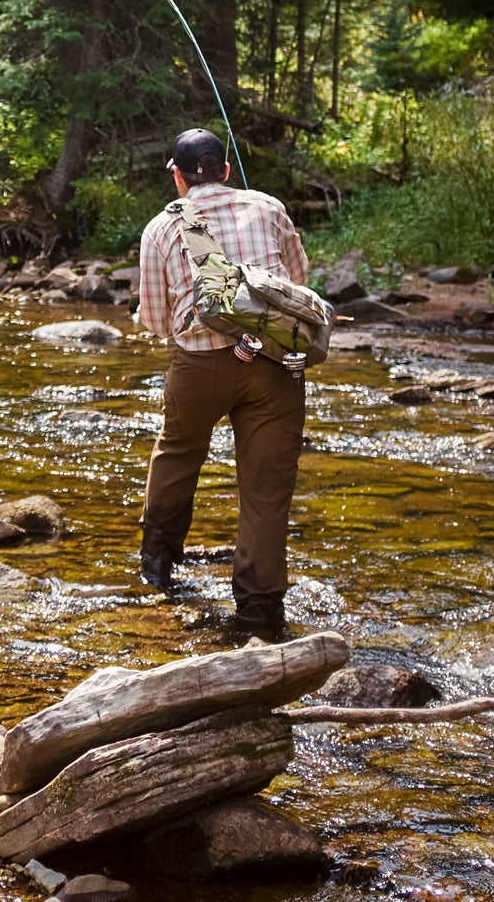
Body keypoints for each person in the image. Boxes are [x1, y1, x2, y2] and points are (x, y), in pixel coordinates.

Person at [133, 128, 310, 629]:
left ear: (177, 176)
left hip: (201, 364)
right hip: (275, 362)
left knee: (178, 453)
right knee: (266, 489)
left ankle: (158, 565)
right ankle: (260, 609)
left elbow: (155, 321)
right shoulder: (270, 207)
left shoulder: (163, 227)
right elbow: (297, 282)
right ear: (226, 170)